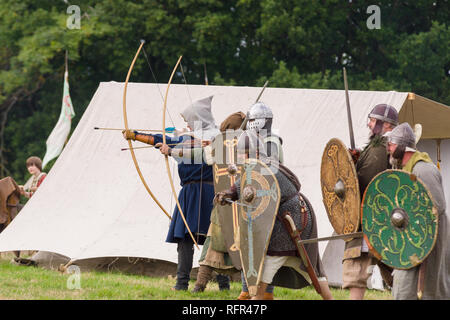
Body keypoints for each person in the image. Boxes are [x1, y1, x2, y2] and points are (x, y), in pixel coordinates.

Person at [215, 131, 334, 300]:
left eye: (243, 153)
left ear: (254, 152)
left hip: (290, 224)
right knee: (309, 269)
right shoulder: (258, 168)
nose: (240, 157)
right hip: (284, 224)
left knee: (269, 268)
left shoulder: (267, 169)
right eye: (240, 153)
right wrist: (228, 193)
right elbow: (243, 184)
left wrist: (236, 192)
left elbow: (254, 188)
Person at [123, 96, 219, 291]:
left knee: (217, 239)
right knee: (186, 239)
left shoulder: (217, 137)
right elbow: (164, 140)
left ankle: (221, 284)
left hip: (210, 192)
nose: (186, 124)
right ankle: (181, 283)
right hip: (191, 192)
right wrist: (135, 135)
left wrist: (172, 150)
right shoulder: (187, 138)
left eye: (189, 120)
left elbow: (195, 149)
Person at [385, 122, 450, 300]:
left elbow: (437, 207)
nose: (388, 149)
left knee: (424, 293)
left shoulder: (423, 170)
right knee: (405, 291)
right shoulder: (408, 169)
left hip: (426, 247)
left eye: (390, 145)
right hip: (411, 245)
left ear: (401, 146)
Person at [343, 104, 398, 300]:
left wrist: (351, 171)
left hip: (369, 220)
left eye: (373, 121)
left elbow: (367, 181)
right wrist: (356, 160)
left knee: (356, 272)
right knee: (396, 275)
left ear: (386, 125)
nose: (369, 124)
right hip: (384, 221)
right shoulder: (386, 147)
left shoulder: (378, 148)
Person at [192, 111, 246, 293]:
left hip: (238, 205)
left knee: (220, 248)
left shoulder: (226, 146)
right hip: (231, 205)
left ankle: (201, 286)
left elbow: (206, 157)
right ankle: (200, 285)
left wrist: (212, 147)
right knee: (213, 247)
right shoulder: (246, 146)